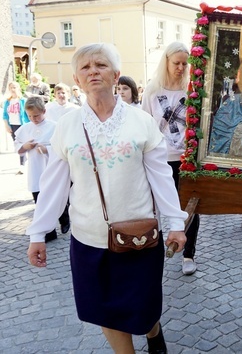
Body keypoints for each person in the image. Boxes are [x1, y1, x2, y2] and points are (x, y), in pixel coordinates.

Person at [26, 42, 188, 353]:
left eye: (100, 65)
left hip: (139, 237)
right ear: (76, 79)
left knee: (143, 308)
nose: (93, 71)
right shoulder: (67, 127)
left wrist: (176, 223)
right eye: (85, 67)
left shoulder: (141, 122)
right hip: (89, 240)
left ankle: (153, 332)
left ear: (116, 75)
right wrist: (38, 232)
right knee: (106, 310)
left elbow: (161, 178)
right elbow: (53, 185)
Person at [141, 41, 200, 275]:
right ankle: (152, 249)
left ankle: (188, 254)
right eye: (176, 63)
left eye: (185, 64)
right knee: (152, 206)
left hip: (185, 159)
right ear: (166, 61)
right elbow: (144, 123)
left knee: (189, 207)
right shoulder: (152, 91)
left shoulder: (192, 90)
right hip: (158, 160)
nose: (181, 68)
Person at [14, 97, 62, 242]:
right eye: (30, 116)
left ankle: (62, 217)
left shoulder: (54, 127)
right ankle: (48, 231)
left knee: (52, 199)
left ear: (44, 112)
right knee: (39, 201)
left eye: (36, 115)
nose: (33, 119)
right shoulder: (26, 128)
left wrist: (47, 149)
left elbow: (61, 147)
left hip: (50, 168)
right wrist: (25, 147)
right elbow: (18, 146)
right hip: (35, 170)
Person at [3, 81, 29, 174]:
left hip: (23, 125)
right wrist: (6, 125)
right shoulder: (7, 101)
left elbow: (28, 113)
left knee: (23, 144)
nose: (13, 89)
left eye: (15, 87)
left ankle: (22, 164)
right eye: (11, 88)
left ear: (18, 88)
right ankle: (23, 161)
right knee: (18, 145)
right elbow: (5, 115)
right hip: (13, 125)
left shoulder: (23, 100)